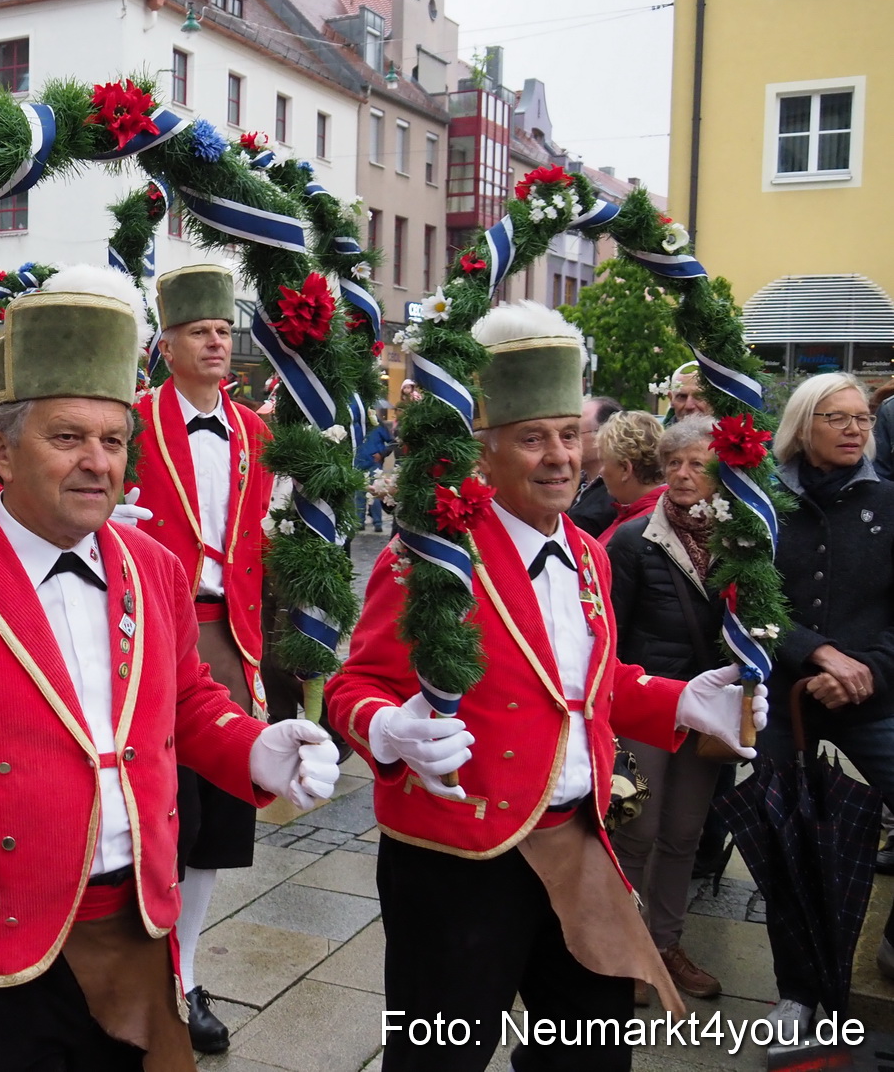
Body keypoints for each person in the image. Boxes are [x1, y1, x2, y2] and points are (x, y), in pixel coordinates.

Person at [0, 280, 339, 1072]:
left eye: (114, 440)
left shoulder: (154, 567)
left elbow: (186, 699)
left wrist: (255, 749)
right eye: (67, 437)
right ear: (2, 450)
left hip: (136, 928)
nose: (98, 463)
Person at [326, 303, 765, 1072]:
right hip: (458, 855)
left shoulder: (592, 556)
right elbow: (354, 683)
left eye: (569, 434)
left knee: (589, 1056)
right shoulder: (435, 555)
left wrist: (679, 699)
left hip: (578, 839)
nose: (560, 456)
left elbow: (587, 688)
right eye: (533, 438)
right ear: (485, 451)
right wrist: (389, 729)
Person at [128, 263, 275, 1054]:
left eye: (223, 330)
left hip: (235, 638)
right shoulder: (134, 420)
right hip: (155, 632)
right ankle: (150, 972)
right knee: (164, 808)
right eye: (200, 331)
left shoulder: (256, 431)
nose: (217, 341)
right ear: (168, 342)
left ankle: (185, 974)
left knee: (218, 820)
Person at [757, 372, 894, 1034]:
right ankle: (798, 990)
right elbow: (751, 603)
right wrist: (814, 652)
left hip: (873, 693)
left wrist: (862, 667)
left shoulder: (890, 503)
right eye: (836, 417)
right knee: (788, 840)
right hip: (788, 701)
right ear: (802, 426)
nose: (853, 429)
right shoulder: (764, 504)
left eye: (861, 419)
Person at [605, 415, 728, 1003]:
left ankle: (665, 944)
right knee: (638, 828)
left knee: (683, 832)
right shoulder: (635, 540)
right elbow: (614, 632)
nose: (683, 474)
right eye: (674, 463)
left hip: (709, 711)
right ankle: (626, 948)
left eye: (697, 464)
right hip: (649, 706)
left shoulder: (741, 542)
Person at [594, 410, 666, 542]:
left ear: (625, 469)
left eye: (603, 462)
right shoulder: (663, 514)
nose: (601, 472)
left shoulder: (637, 529)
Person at [570, 396, 623, 536]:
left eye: (574, 433)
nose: (565, 442)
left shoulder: (617, 494)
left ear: (603, 434)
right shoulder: (574, 481)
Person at [354, 403, 396, 534]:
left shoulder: (379, 425)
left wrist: (382, 454)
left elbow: (392, 442)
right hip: (358, 464)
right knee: (359, 494)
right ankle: (359, 522)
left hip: (373, 465)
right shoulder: (355, 425)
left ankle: (378, 522)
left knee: (376, 493)